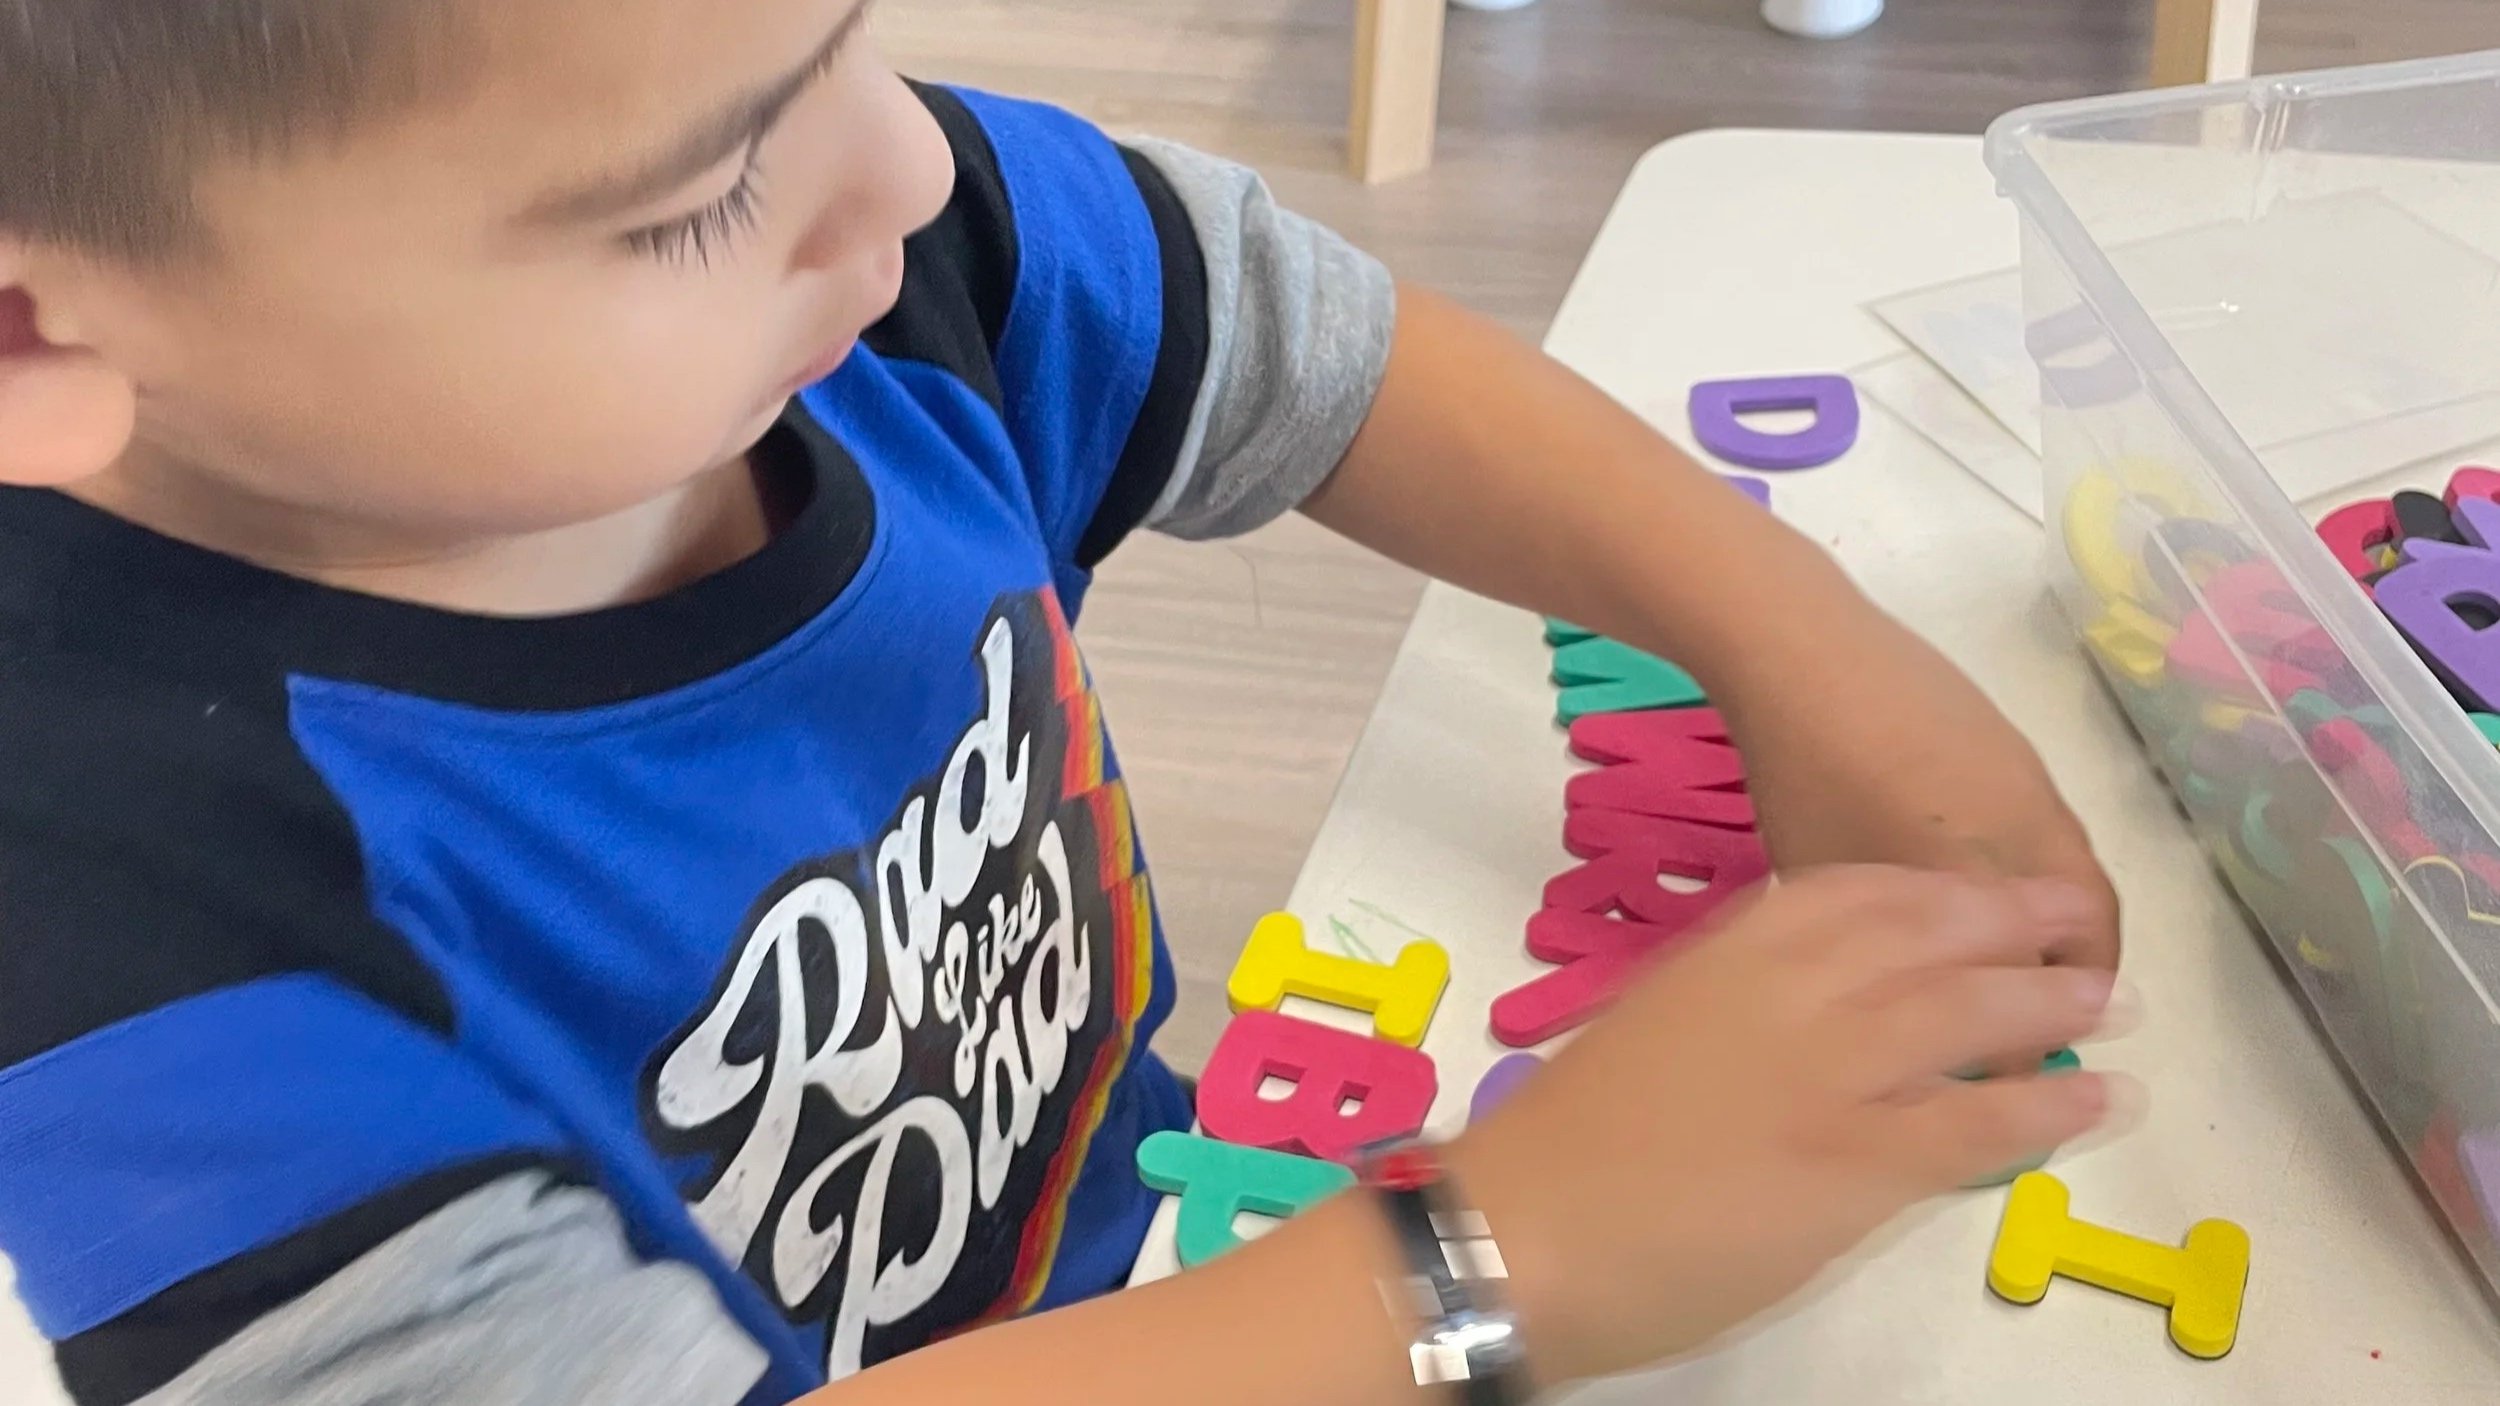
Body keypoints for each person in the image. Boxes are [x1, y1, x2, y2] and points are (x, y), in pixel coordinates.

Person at [0, 2, 2125, 1403]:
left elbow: (1314, 353)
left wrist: (1795, 637)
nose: (905, 171)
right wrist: (1498, 1260)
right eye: (695, 195)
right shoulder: (130, 963)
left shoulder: (873, 272)